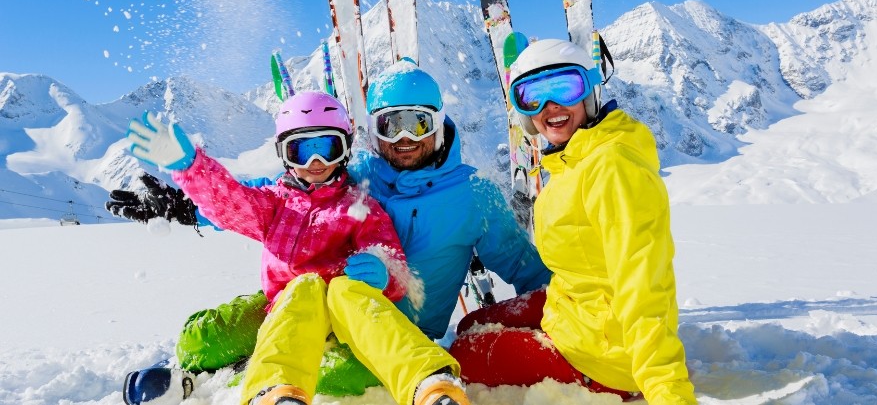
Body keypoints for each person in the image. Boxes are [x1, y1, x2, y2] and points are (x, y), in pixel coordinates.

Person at [113, 60, 550, 402]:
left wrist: (560, 316)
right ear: (371, 131)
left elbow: (523, 267)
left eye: (416, 123)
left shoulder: (474, 195)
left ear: (438, 122)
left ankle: (236, 380)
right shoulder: (356, 175)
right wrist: (184, 201)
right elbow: (261, 201)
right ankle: (231, 364)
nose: (403, 138)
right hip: (300, 306)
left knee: (339, 374)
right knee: (204, 337)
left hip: (390, 330)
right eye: (389, 124)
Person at [450, 39, 697, 404]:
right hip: (577, 311)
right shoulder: (575, 158)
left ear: (590, 93)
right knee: (471, 323)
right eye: (532, 96)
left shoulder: (612, 167)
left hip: (603, 357)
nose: (551, 106)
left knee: (462, 354)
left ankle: (597, 375)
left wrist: (665, 387)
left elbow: (644, 282)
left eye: (565, 88)